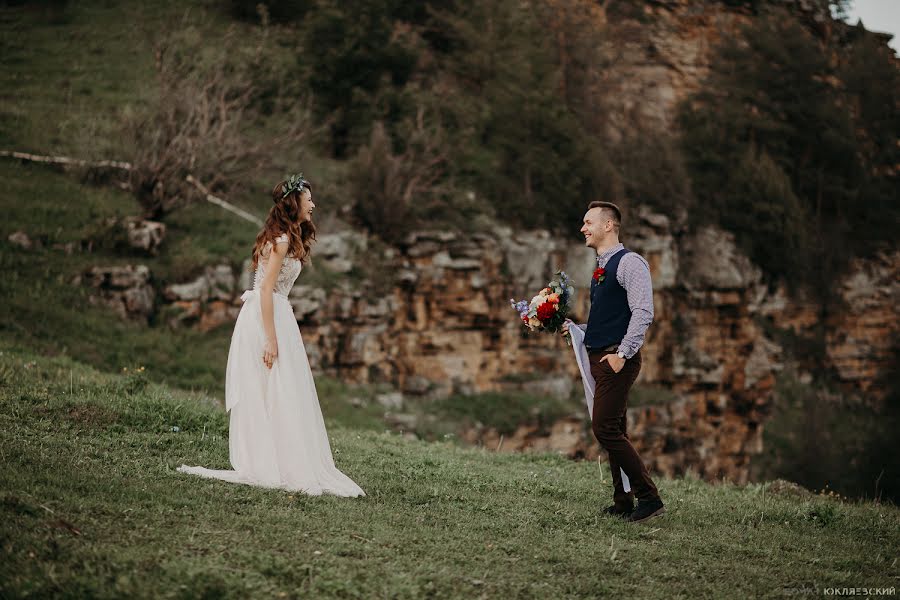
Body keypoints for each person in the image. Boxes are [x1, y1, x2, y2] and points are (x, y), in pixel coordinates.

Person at [177, 174, 365, 497]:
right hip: (266, 317)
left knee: (282, 389)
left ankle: (281, 457)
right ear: (295, 204)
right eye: (309, 201)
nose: (313, 206)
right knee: (272, 386)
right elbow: (264, 289)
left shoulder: (286, 238)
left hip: (279, 313)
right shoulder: (278, 241)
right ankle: (270, 462)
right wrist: (271, 338)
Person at [562, 201, 664, 523]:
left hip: (616, 360)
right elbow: (608, 318)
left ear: (609, 225)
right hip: (600, 357)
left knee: (604, 428)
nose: (583, 228)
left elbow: (643, 312)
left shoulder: (630, 262)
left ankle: (650, 498)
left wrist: (622, 355)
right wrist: (575, 329)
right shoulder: (600, 269)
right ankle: (623, 502)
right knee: (616, 428)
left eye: (588, 222)